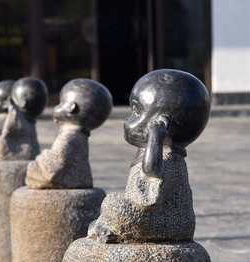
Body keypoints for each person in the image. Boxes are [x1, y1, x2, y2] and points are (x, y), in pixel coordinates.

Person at [89, 69, 210, 243]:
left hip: (169, 223)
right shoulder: (165, 159)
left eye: (136, 112)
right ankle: (109, 227)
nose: (127, 120)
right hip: (155, 217)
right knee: (115, 204)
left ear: (160, 126)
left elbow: (148, 198)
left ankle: (111, 227)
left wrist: (155, 137)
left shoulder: (169, 162)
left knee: (112, 203)